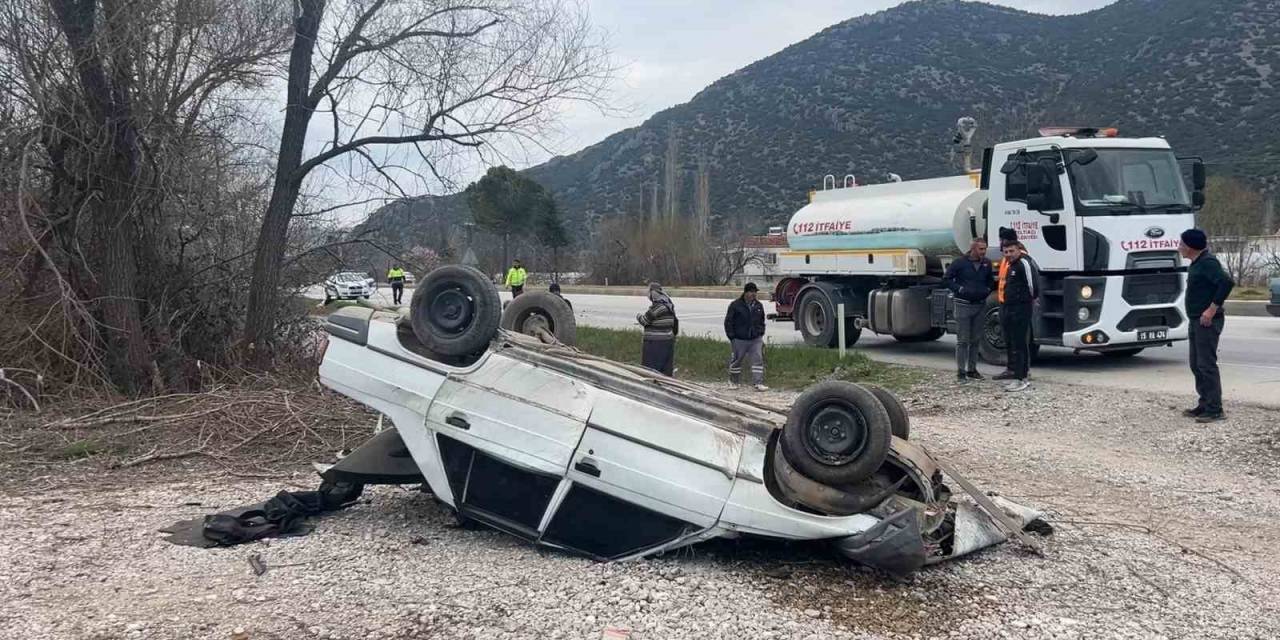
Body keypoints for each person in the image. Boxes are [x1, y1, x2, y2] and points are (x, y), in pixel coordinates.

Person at [1179, 228, 1234, 423]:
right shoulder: (1196, 263)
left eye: (1181, 244)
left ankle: (1215, 409)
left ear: (1190, 246)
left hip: (1207, 321)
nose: (1179, 247)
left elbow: (1226, 283)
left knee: (1206, 364)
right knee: (1196, 364)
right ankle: (1204, 403)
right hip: (1196, 320)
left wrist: (1211, 310)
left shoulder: (1208, 263)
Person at [945, 238, 994, 381]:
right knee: (963, 340)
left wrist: (988, 289)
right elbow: (946, 279)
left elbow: (990, 279)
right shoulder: (959, 263)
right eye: (981, 249)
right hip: (962, 305)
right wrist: (959, 289)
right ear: (973, 249)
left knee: (976, 340)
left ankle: (972, 370)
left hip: (979, 305)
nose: (983, 252)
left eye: (985, 249)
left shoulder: (987, 263)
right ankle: (961, 372)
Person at [996, 239, 1036, 392]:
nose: (1009, 255)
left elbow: (1033, 285)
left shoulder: (1023, 263)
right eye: (1006, 252)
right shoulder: (1011, 265)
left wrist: (1029, 300)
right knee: (1015, 342)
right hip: (1010, 308)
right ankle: (1019, 376)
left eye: (1011, 251)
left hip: (1021, 309)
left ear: (1018, 250)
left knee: (1020, 344)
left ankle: (1021, 378)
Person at [724, 282, 768, 391]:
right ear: (746, 292)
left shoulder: (758, 305)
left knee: (758, 360)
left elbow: (762, 320)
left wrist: (760, 332)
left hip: (755, 339)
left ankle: (758, 383)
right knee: (737, 361)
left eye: (755, 292)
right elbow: (728, 322)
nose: (754, 294)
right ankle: (733, 381)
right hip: (739, 339)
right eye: (751, 292)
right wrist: (732, 337)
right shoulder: (735, 305)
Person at [637, 283, 678, 376]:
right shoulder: (669, 305)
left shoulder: (658, 307)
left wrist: (638, 316)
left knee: (651, 371)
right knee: (665, 371)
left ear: (653, 293)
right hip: (668, 340)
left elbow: (644, 321)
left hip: (655, 343)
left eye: (649, 292)